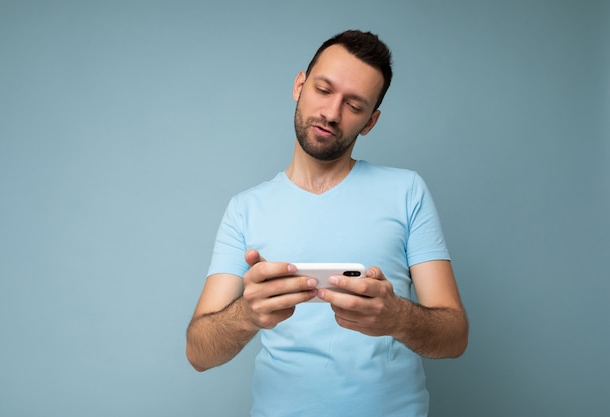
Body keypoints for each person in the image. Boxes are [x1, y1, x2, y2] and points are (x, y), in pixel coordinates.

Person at [186, 30, 468, 417]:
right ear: (299, 86)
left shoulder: (407, 191)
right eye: (323, 90)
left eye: (354, 105)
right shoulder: (245, 209)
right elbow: (198, 352)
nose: (332, 114)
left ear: (371, 121)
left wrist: (396, 317)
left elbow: (454, 337)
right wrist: (247, 315)